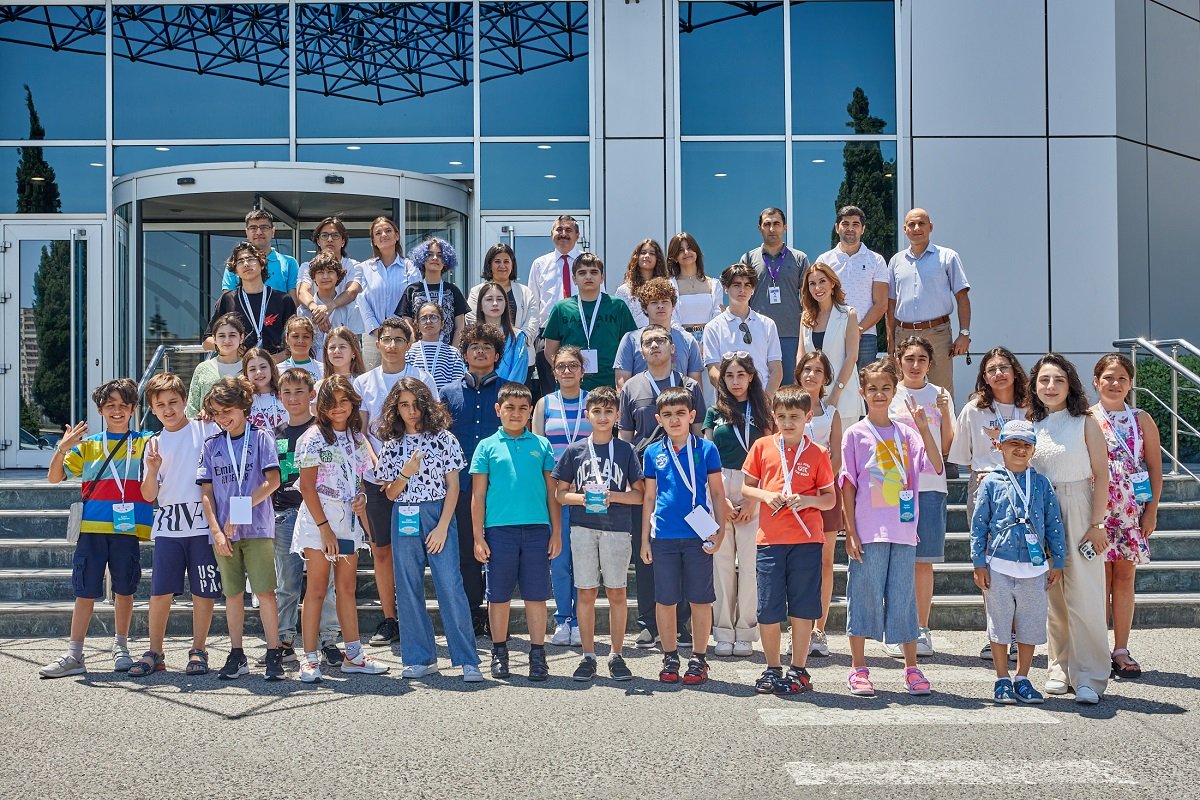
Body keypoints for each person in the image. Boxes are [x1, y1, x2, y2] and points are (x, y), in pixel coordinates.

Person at [840, 358, 943, 697]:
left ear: (894, 391)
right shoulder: (855, 434)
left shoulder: (907, 434)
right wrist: (850, 531)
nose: (879, 394)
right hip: (869, 531)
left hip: (903, 530)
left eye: (886, 388)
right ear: (862, 392)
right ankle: (858, 668)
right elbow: (848, 484)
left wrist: (924, 427)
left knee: (903, 598)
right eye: (872, 389)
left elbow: (936, 465)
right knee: (863, 596)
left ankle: (911, 668)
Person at [39, 378, 154, 678]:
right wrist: (62, 449)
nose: (117, 411)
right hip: (91, 530)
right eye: (110, 405)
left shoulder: (144, 441)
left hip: (126, 530)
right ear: (101, 410)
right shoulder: (89, 446)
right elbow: (54, 478)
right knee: (85, 591)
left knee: (125, 589)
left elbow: (175, 433)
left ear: (133, 409)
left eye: (124, 405)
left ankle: (121, 646)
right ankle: (75, 654)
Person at [375, 378, 482, 681]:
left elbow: (454, 487)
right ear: (395, 408)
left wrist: (443, 527)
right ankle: (420, 658)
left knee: (450, 585)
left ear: (426, 404)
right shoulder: (391, 445)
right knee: (408, 587)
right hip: (404, 515)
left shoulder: (444, 438)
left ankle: (468, 659)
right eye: (404, 405)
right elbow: (390, 494)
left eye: (416, 404)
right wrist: (405, 473)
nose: (411, 411)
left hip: (439, 514)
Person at [292, 376, 389, 682]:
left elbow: (360, 480)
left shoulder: (357, 438)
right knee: (317, 589)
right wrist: (324, 529)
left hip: (347, 522)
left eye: (344, 401)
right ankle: (309, 658)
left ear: (353, 403)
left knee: (347, 588)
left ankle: (354, 655)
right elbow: (307, 487)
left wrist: (361, 498)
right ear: (321, 406)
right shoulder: (311, 438)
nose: (338, 408)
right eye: (331, 402)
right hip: (318, 521)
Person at [1028, 353, 1111, 704]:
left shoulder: (1085, 422)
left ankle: (1090, 675)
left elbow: (1102, 474)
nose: (1051, 386)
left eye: (1058, 380)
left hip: (1079, 506)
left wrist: (1097, 523)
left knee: (1085, 594)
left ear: (1070, 384)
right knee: (1054, 595)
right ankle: (1059, 667)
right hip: (1043, 510)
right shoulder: (1031, 424)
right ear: (1034, 385)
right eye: (1044, 380)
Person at [742, 387, 837, 694]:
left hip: (806, 541)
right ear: (773, 417)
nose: (787, 422)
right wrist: (765, 495)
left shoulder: (818, 453)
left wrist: (807, 500)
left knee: (803, 607)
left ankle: (798, 669)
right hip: (770, 540)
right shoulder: (762, 447)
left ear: (808, 417)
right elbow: (746, 488)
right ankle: (772, 668)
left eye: (794, 417)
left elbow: (830, 499)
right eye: (781, 416)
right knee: (768, 607)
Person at [619, 324, 707, 649]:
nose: (654, 345)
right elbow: (625, 438)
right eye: (648, 342)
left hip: (684, 480)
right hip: (645, 477)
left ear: (673, 348)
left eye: (660, 340)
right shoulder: (631, 386)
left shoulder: (689, 385)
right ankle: (647, 623)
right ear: (641, 351)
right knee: (646, 551)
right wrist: (628, 478)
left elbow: (698, 433)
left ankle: (681, 624)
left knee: (684, 549)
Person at [354, 317, 438, 648]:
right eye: (386, 339)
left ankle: (415, 617)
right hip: (377, 480)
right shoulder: (364, 382)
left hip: (417, 481)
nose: (391, 345)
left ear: (409, 344)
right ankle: (390, 619)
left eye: (399, 340)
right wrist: (378, 465)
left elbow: (432, 425)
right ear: (377, 343)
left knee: (414, 551)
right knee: (382, 551)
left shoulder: (422, 378)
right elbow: (360, 432)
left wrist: (409, 467)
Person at [130, 373, 221, 677]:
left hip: (204, 526)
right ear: (152, 409)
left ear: (185, 401)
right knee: (160, 592)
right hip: (169, 527)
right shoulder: (154, 443)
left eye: (173, 402)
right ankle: (155, 651)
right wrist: (152, 469)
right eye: (160, 405)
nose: (168, 409)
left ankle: (199, 649)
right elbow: (148, 495)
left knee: (203, 591)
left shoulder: (206, 428)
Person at [553, 386, 645, 681]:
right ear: (587, 415)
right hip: (582, 527)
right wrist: (582, 499)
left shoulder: (626, 450)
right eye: (597, 411)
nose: (603, 417)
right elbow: (559, 494)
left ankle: (616, 654)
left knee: (617, 591)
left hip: (617, 528)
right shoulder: (575, 450)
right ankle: (588, 655)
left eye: (608, 411)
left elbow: (640, 495)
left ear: (618, 415)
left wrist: (613, 496)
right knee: (586, 591)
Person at [971, 419, 1067, 705]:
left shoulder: (1041, 483)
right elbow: (979, 524)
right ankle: (1002, 678)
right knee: (999, 624)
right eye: (1014, 443)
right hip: (998, 565)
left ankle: (1023, 678)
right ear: (1000, 446)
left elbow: (1054, 522)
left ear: (1034, 450)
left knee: (1030, 625)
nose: (1020, 449)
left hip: (1034, 568)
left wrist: (1058, 560)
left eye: (1027, 445)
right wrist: (978, 562)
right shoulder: (991, 482)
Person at [471, 382, 562, 681]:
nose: (516, 413)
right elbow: (478, 496)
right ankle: (499, 652)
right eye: (509, 407)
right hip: (499, 531)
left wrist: (556, 532)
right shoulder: (486, 446)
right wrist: (478, 536)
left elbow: (552, 494)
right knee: (498, 596)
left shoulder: (542, 445)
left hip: (537, 530)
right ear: (498, 409)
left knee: (536, 595)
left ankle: (538, 654)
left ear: (531, 411)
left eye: (523, 408)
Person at [196, 376, 284, 681]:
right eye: (217, 413)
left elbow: (273, 481)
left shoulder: (261, 437)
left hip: (256, 529)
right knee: (232, 594)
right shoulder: (212, 444)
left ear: (243, 406)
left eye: (228, 411)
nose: (223, 418)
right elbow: (206, 491)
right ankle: (237, 653)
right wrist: (216, 530)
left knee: (264, 592)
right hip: (223, 533)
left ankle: (274, 652)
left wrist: (239, 511)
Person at [640, 386, 727, 685]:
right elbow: (649, 497)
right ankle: (670, 656)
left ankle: (699, 658)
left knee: (701, 599)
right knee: (665, 600)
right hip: (664, 535)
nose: (674, 420)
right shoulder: (653, 452)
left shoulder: (706, 448)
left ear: (692, 415)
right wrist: (644, 539)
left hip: (698, 536)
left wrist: (721, 531)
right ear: (659, 420)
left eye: (680, 413)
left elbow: (718, 493)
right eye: (667, 415)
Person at [948, 346, 1030, 662]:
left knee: (1021, 562)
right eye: (992, 369)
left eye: (1004, 367)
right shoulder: (973, 410)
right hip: (986, 488)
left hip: (1026, 488)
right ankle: (996, 634)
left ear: (1015, 370)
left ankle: (1018, 634)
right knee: (989, 562)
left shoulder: (1031, 407)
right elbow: (962, 455)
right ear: (984, 376)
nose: (999, 373)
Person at [1091, 353, 1162, 680]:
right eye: (1108, 377)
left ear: (1131, 383)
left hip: (1131, 511)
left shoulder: (1141, 418)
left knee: (1124, 578)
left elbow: (1155, 468)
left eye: (1122, 377)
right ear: (1096, 381)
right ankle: (1096, 648)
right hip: (1098, 510)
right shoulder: (1087, 417)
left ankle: (1121, 649)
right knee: (1099, 580)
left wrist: (1152, 510)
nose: (1115, 383)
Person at [884, 336, 954, 659]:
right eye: (909, 358)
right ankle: (896, 626)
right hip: (892, 486)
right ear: (899, 360)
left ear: (930, 363)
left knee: (923, 561)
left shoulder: (940, 395)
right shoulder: (889, 393)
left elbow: (948, 444)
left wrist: (945, 413)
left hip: (930, 484)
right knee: (896, 559)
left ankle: (922, 628)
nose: (915, 365)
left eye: (922, 359)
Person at [703, 352, 772, 658]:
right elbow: (707, 456)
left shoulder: (763, 409)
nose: (735, 381)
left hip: (754, 484)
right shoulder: (713, 411)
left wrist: (753, 500)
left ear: (751, 377)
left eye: (741, 375)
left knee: (749, 564)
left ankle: (745, 631)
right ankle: (722, 632)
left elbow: (769, 456)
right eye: (729, 375)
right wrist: (722, 499)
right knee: (721, 563)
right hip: (720, 484)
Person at [272, 367, 342, 668]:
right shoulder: (274, 434)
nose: (293, 398)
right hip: (285, 514)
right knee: (286, 582)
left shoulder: (322, 432)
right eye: (286, 392)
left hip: (318, 515)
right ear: (279, 397)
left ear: (312, 394)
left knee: (325, 583)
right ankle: (284, 640)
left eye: (299, 392)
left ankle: (328, 639)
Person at [443, 323, 506, 635]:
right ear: (465, 354)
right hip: (461, 486)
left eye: (486, 347)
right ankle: (472, 611)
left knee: (501, 551)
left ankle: (498, 612)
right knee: (467, 551)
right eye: (474, 347)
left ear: (496, 355)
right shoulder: (448, 393)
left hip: (502, 485)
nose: (480, 351)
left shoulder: (509, 391)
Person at [532, 345, 592, 647]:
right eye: (561, 367)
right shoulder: (544, 404)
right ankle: (563, 619)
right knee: (558, 558)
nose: (567, 371)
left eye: (573, 366)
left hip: (588, 492)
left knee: (584, 559)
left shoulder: (592, 402)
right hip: (556, 492)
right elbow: (537, 450)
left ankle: (581, 620)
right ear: (554, 372)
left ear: (582, 370)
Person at [886, 208, 971, 400]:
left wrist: (964, 333)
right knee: (903, 392)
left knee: (941, 392)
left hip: (937, 333)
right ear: (905, 229)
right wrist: (891, 340)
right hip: (904, 333)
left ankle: (945, 422)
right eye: (911, 224)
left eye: (921, 223)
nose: (916, 228)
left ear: (930, 227)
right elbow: (890, 305)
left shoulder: (947, 256)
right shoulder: (896, 261)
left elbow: (962, 297)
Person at [795, 350, 843, 656]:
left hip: (825, 494)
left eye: (818, 371)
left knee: (825, 562)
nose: (811, 375)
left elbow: (837, 456)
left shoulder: (832, 414)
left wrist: (819, 486)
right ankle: (797, 628)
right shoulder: (785, 407)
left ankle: (818, 630)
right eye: (807, 369)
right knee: (798, 565)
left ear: (826, 378)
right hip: (793, 496)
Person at [542, 253, 637, 392]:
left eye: (594, 272)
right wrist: (564, 373)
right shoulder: (561, 308)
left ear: (602, 277)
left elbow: (630, 347)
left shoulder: (617, 306)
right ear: (574, 279)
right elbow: (550, 350)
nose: (588, 277)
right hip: (572, 386)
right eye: (582, 273)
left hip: (609, 384)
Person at [739, 208, 809, 381]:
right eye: (767, 224)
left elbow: (808, 298)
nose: (772, 229)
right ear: (760, 228)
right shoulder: (748, 259)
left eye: (776, 224)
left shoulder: (799, 258)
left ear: (785, 227)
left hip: (791, 334)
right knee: (758, 386)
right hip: (757, 334)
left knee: (790, 387)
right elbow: (741, 298)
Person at [817, 205, 889, 369]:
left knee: (865, 382)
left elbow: (881, 304)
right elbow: (819, 300)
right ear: (837, 228)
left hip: (865, 335)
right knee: (831, 379)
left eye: (855, 224)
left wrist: (858, 329)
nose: (850, 228)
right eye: (845, 224)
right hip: (832, 333)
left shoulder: (876, 260)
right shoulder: (824, 260)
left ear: (863, 229)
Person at [703, 263, 784, 398]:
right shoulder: (713, 327)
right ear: (726, 288)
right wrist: (732, 398)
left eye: (747, 285)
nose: (742, 290)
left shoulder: (767, 324)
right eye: (737, 285)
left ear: (753, 289)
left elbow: (776, 369)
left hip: (762, 399)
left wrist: (766, 399)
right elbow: (713, 371)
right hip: (729, 402)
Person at [207, 241, 297, 361]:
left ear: (262, 264)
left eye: (250, 259)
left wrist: (271, 361)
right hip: (238, 367)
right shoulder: (228, 300)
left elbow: (296, 339)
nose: (245, 264)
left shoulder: (283, 300)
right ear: (235, 271)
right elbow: (206, 341)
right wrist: (231, 347)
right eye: (240, 261)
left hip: (277, 366)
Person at [798, 262, 864, 426]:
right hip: (812, 399)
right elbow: (801, 356)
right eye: (812, 283)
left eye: (822, 281)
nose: (817, 288)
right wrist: (801, 390)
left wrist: (835, 395)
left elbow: (852, 357)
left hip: (844, 397)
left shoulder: (848, 314)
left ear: (832, 284)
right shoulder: (806, 317)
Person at [613, 277, 704, 388]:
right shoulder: (630, 340)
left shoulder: (688, 340)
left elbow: (696, 385)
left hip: (679, 398)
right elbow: (622, 386)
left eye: (665, 301)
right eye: (654, 302)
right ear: (644, 308)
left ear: (673, 306)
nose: (660, 306)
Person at [528, 215, 583, 396]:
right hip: (547, 333)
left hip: (580, 330)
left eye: (568, 230)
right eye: (559, 229)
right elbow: (533, 303)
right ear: (552, 234)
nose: (563, 233)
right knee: (550, 387)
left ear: (577, 235)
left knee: (580, 382)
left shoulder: (587, 262)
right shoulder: (540, 264)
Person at [358, 216, 419, 370]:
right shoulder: (364, 268)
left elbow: (415, 301)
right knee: (372, 379)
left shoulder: (410, 267)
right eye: (378, 233)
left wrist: (403, 330)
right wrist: (376, 330)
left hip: (403, 336)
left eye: (388, 231)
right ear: (373, 241)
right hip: (373, 336)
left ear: (396, 236)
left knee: (403, 377)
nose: (383, 235)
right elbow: (361, 300)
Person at [297, 217, 363, 353]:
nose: (330, 239)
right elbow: (302, 291)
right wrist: (318, 312)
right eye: (324, 235)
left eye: (335, 235)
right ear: (318, 241)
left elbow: (351, 291)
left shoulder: (353, 265)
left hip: (345, 320)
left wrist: (329, 307)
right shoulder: (307, 266)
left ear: (343, 241)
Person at [465, 242, 540, 352]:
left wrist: (518, 341)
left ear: (512, 265)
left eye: (506, 261)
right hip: (487, 352)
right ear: (489, 265)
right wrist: (493, 341)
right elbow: (472, 319)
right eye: (497, 261)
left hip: (520, 351)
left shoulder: (526, 292)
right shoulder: (476, 292)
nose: (502, 266)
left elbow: (533, 322)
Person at [397, 237, 468, 348]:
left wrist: (454, 352)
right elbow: (407, 324)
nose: (435, 258)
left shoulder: (453, 290)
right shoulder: (411, 290)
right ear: (422, 259)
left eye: (440, 255)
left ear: (446, 261)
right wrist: (415, 349)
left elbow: (460, 327)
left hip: (447, 352)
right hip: (419, 352)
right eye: (429, 254)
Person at [220, 209, 299, 299]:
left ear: (273, 231)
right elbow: (228, 301)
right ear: (246, 232)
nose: (259, 232)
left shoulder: (289, 263)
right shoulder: (236, 263)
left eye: (264, 227)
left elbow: (293, 302)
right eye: (253, 228)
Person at [300, 252, 364, 358]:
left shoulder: (351, 308)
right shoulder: (303, 310)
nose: (325, 277)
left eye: (330, 272)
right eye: (320, 272)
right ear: (313, 277)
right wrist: (317, 317)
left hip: (342, 363)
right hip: (312, 364)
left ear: (338, 276)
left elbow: (356, 348)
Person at [187, 313, 246, 418]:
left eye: (232, 335)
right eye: (222, 336)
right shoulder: (203, 369)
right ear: (214, 338)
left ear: (241, 338)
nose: (227, 340)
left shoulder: (249, 368)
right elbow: (192, 409)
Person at [666, 232, 723, 338]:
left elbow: (717, 315)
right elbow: (672, 319)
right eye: (681, 250)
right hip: (681, 339)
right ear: (674, 257)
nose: (686, 252)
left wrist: (706, 340)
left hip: (710, 338)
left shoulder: (714, 284)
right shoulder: (669, 286)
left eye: (689, 248)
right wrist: (689, 341)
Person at [474, 281, 530, 383]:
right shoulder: (471, 337)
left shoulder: (518, 337)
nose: (495, 304)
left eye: (499, 299)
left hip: (509, 392)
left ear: (505, 304)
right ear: (480, 305)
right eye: (489, 299)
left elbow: (518, 373)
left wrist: (505, 392)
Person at [406, 300, 467, 392]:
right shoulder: (409, 352)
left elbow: (457, 385)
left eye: (434, 317)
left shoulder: (453, 353)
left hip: (444, 400)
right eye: (423, 318)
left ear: (442, 323)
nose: (428, 321)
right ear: (417, 325)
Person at [613, 239, 669, 327]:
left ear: (658, 259)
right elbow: (618, 322)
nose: (647, 256)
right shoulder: (624, 291)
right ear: (637, 257)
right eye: (643, 252)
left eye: (652, 253)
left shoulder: (666, 288)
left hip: (661, 334)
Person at [243, 347, 287, 430]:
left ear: (271, 368)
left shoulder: (285, 395)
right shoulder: (243, 400)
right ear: (246, 373)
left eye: (263, 367)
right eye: (252, 369)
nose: (258, 372)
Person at [318, 326, 367, 391]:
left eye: (342, 347)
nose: (336, 351)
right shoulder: (319, 386)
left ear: (353, 352)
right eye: (332, 347)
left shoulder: (365, 384)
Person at [278, 315, 323, 381]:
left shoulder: (323, 369)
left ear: (312, 340)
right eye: (295, 336)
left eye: (306, 337)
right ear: (287, 339)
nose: (300, 341)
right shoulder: (278, 369)